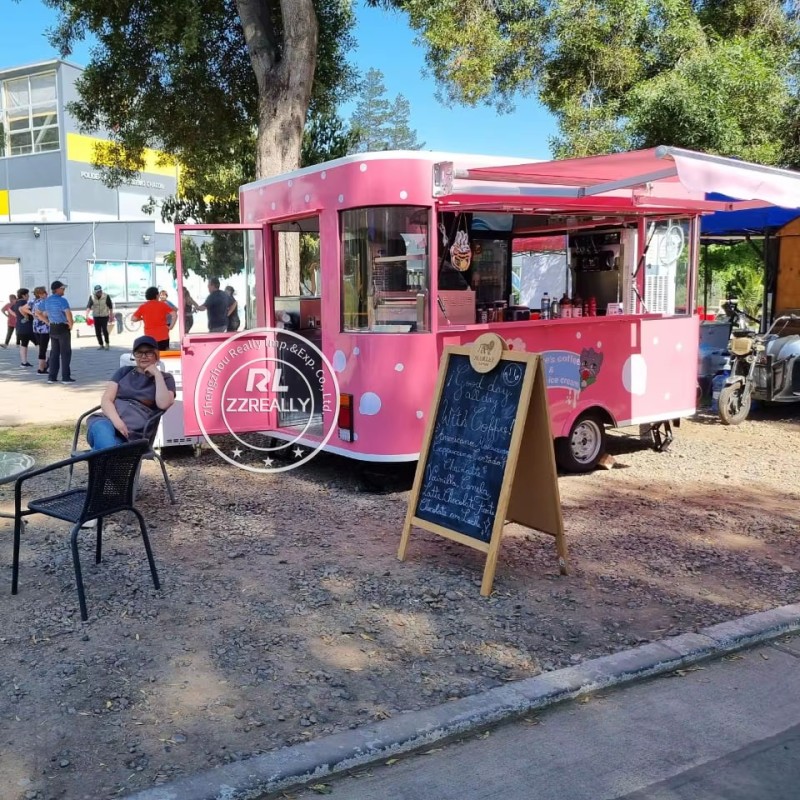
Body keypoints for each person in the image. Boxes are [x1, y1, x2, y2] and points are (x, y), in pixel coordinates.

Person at [86, 335, 176, 450]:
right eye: (139, 353)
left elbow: (163, 404)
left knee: (109, 449)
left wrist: (157, 374)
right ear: (134, 355)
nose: (143, 356)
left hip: (132, 435)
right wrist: (117, 422)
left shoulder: (166, 379)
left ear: (156, 355)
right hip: (107, 422)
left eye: (148, 353)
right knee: (105, 437)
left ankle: (101, 464)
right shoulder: (124, 372)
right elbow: (106, 399)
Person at [41, 280, 74, 383]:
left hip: (53, 328)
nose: (64, 290)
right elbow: (68, 313)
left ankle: (52, 377)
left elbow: (37, 312)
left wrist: (47, 321)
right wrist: (71, 324)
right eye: (62, 288)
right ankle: (65, 377)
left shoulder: (47, 300)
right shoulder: (62, 300)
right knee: (65, 353)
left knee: (54, 353)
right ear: (57, 289)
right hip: (62, 328)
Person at [130, 286, 175, 351]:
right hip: (163, 334)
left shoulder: (143, 306)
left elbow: (133, 319)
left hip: (149, 336)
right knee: (164, 354)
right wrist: (171, 327)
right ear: (156, 295)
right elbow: (174, 315)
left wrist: (141, 318)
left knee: (152, 355)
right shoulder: (163, 304)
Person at [29, 286, 50, 374]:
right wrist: (48, 321)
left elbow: (25, 309)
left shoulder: (34, 302)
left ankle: (44, 365)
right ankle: (41, 369)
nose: (46, 294)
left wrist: (34, 316)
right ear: (42, 294)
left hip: (35, 327)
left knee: (41, 347)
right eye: (45, 292)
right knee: (43, 348)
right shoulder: (45, 303)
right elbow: (44, 314)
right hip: (44, 328)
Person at [86, 284, 113, 350]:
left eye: (100, 291)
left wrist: (111, 315)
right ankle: (101, 344)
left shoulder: (106, 296)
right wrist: (87, 315)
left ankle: (107, 343)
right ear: (95, 292)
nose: (99, 293)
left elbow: (110, 306)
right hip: (96, 316)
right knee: (97, 331)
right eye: (97, 292)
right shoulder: (92, 297)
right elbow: (89, 306)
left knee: (104, 330)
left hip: (104, 316)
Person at [12, 288, 34, 367]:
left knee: (23, 344)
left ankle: (24, 362)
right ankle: (44, 361)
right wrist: (28, 316)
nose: (28, 296)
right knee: (39, 344)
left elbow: (10, 310)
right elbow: (23, 310)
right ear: (23, 295)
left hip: (19, 327)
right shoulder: (25, 303)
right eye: (27, 294)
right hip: (28, 328)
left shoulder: (15, 303)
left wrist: (18, 317)